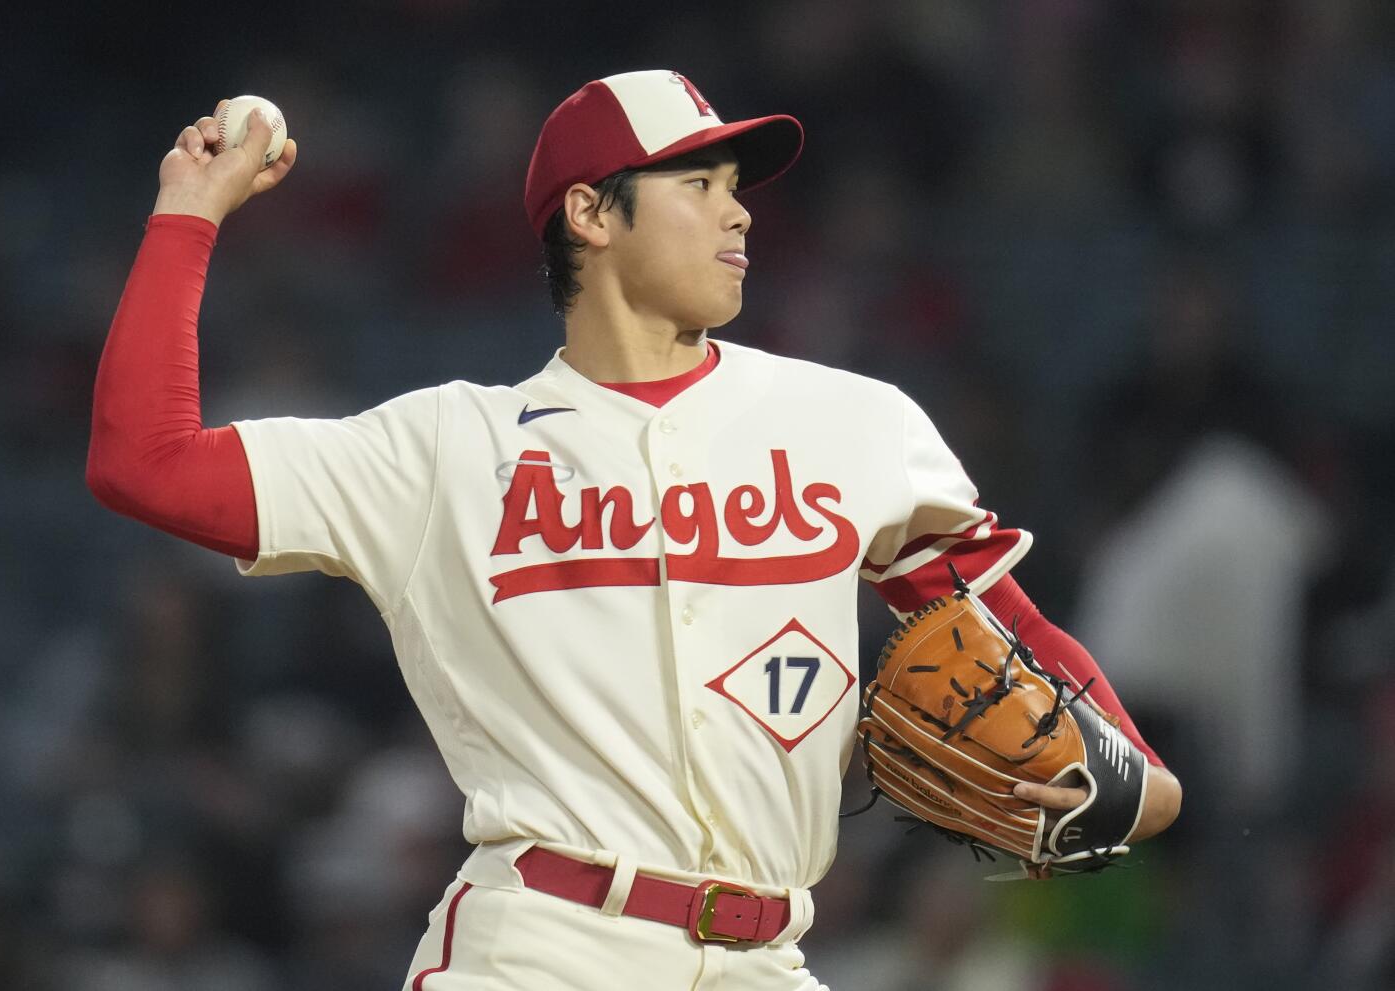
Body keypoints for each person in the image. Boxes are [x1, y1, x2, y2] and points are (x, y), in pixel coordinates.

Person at [87, 70, 1182, 990]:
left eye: (736, 188)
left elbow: (999, 618)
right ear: (591, 214)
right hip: (540, 949)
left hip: (770, 952)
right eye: (696, 184)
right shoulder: (443, 449)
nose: (738, 211)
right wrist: (189, 210)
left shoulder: (856, 423)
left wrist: (1133, 762)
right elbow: (145, 461)